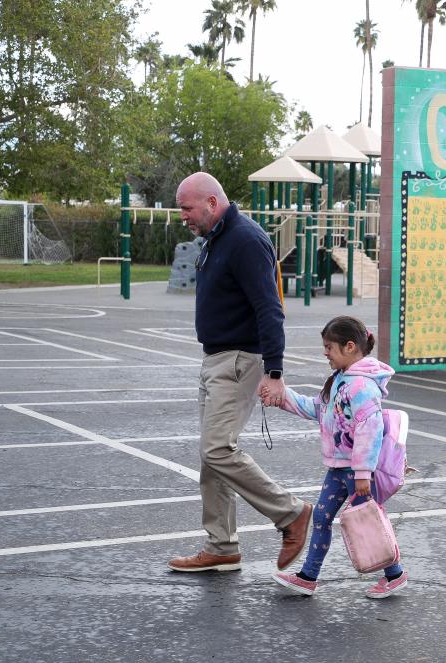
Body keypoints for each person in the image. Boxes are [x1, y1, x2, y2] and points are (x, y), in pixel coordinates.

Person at [167, 172, 313, 573]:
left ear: (212, 203)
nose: (183, 216)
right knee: (211, 454)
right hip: (216, 359)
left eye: (187, 208)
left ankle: (292, 514)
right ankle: (222, 546)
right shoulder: (216, 238)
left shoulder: (246, 240)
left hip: (237, 360)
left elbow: (270, 308)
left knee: (217, 449)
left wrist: (275, 371)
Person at [268, 316, 408, 599]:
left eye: (329, 347)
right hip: (339, 468)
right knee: (321, 516)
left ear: (349, 346)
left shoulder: (362, 387)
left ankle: (395, 574)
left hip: (355, 473)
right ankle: (308, 577)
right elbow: (315, 409)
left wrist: (362, 473)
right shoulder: (339, 381)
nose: (325, 353)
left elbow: (371, 430)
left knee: (367, 522)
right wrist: (282, 396)